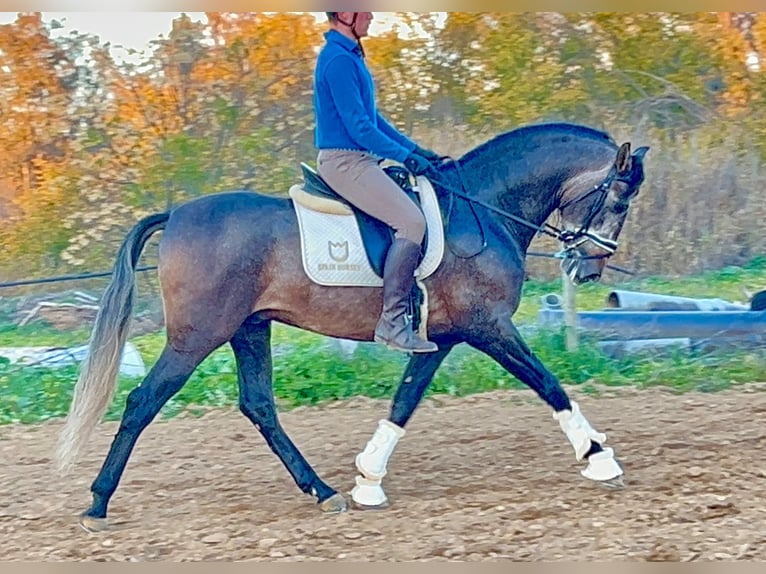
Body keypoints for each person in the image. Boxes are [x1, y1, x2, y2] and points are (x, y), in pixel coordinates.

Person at [313, 11, 442, 354]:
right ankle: (392, 322)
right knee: (411, 221)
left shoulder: (349, 56)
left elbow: (374, 121)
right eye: (365, 9)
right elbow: (360, 129)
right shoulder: (338, 60)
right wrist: (405, 156)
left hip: (360, 157)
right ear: (345, 14)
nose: (371, 15)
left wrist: (416, 150)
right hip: (345, 161)